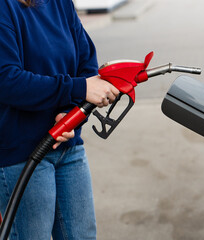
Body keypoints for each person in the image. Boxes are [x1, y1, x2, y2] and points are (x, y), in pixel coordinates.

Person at [0, 0, 119, 239]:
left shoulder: (60, 2)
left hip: (68, 148)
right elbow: (7, 81)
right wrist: (77, 89)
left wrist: (71, 114)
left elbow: (86, 65)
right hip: (22, 154)